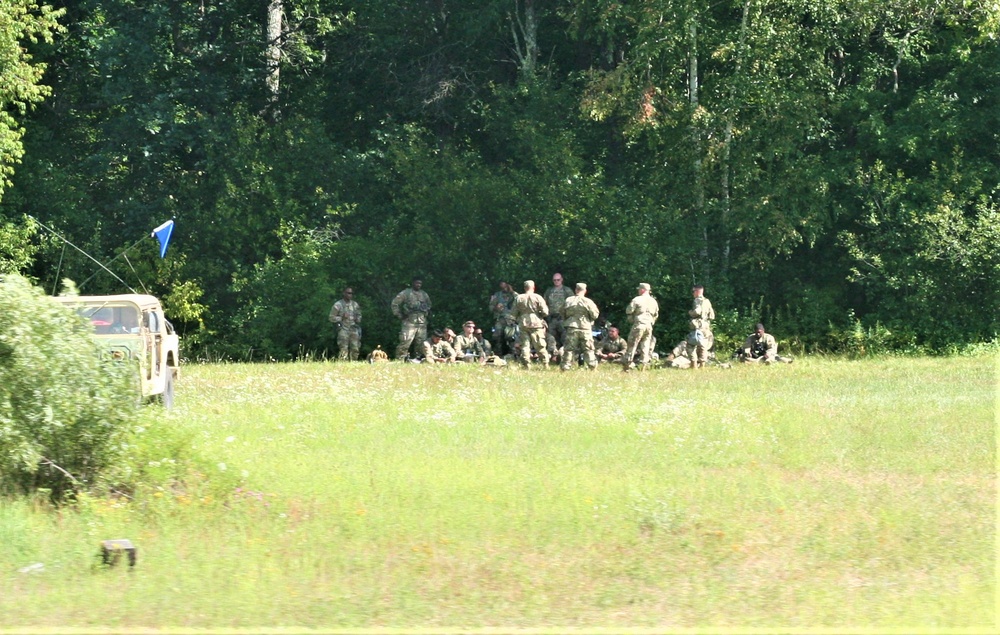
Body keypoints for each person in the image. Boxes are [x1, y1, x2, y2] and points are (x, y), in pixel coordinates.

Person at [559, 282, 600, 371]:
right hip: (585, 327)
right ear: (585, 290)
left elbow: (562, 312)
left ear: (576, 290)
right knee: (588, 348)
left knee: (569, 348)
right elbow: (595, 315)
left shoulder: (568, 300)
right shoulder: (588, 301)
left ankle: (565, 367)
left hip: (572, 327)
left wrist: (568, 319)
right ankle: (592, 366)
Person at [511, 279, 550, 366]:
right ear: (533, 287)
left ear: (525, 288)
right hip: (536, 323)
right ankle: (545, 364)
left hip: (523, 323)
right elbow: (545, 312)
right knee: (540, 344)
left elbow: (513, 313)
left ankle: (526, 364)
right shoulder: (538, 297)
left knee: (525, 345)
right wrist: (539, 315)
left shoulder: (518, 298)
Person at [391, 277, 432, 360]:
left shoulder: (424, 294)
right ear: (412, 283)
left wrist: (426, 312)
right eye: (417, 283)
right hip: (409, 322)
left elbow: (429, 305)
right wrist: (400, 315)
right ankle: (400, 359)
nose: (418, 285)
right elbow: (395, 304)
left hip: (421, 322)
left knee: (421, 343)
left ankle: (418, 359)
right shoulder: (406, 293)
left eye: (420, 283)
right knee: (405, 341)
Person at [622, 282, 659, 371]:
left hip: (639, 325)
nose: (638, 291)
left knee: (632, 345)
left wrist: (632, 320)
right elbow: (656, 314)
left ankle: (627, 367)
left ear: (642, 290)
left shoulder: (637, 299)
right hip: (649, 326)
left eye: (639, 289)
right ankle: (643, 368)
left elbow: (629, 311)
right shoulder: (653, 301)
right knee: (645, 347)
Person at [328, 287, 362, 361]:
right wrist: (341, 317)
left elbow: (359, 315)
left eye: (351, 293)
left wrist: (357, 319)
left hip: (353, 328)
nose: (350, 295)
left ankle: (354, 363)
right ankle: (343, 364)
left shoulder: (355, 304)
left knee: (355, 348)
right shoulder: (338, 305)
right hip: (343, 329)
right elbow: (331, 317)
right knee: (343, 349)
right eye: (348, 293)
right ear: (344, 293)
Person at [687, 284, 715, 369]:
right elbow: (712, 316)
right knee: (703, 346)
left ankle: (693, 365)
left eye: (693, 291)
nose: (692, 293)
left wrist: (690, 312)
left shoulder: (697, 300)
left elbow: (697, 312)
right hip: (706, 325)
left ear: (697, 291)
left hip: (698, 325)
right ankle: (702, 365)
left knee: (691, 344)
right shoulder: (707, 301)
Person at [543, 273, 573, 353]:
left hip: (563, 318)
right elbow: (544, 303)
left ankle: (565, 353)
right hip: (552, 318)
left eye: (558, 280)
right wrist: (546, 315)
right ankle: (553, 354)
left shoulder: (567, 290)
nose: (556, 281)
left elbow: (572, 304)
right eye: (554, 280)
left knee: (565, 336)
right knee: (551, 337)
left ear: (562, 279)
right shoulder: (549, 291)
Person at [488, 280, 517, 357]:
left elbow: (521, 301)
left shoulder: (514, 295)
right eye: (501, 285)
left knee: (512, 337)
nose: (503, 287)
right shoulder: (497, 295)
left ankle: (513, 355)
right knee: (497, 337)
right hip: (500, 319)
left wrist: (512, 292)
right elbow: (490, 308)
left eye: (505, 285)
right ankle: (498, 355)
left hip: (511, 320)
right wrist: (496, 308)